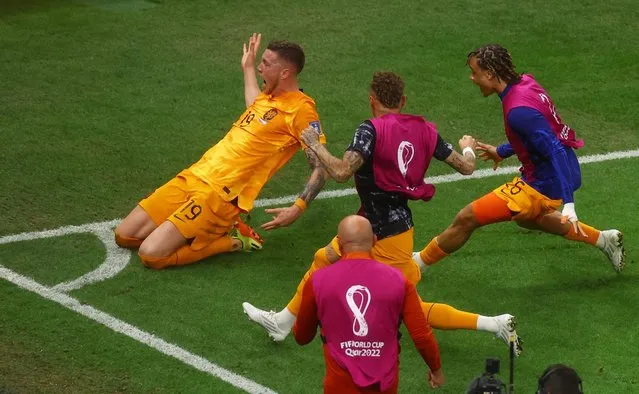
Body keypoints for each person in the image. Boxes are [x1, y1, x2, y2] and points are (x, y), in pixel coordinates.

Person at [243, 71, 522, 355]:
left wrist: (314, 143)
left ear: (372, 100)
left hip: (386, 234)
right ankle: (282, 321)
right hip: (374, 226)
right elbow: (467, 167)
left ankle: (495, 324)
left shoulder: (370, 130)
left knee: (407, 308)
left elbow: (340, 171)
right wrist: (468, 148)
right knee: (322, 259)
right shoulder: (426, 129)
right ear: (403, 101)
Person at [113, 33, 329, 269]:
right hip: (195, 175)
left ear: (285, 73)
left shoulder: (302, 111)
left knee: (151, 254)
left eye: (266, 64)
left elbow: (322, 165)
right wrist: (247, 68)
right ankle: (191, 227)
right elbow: (255, 108)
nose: (260, 67)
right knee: (125, 236)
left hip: (220, 195)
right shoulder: (268, 97)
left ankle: (231, 240)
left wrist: (298, 208)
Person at [413, 44, 625, 273]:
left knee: (467, 218)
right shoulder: (525, 83)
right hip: (563, 169)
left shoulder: (517, 110)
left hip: (543, 184)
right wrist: (501, 151)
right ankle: (604, 240)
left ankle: (418, 264)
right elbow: (536, 132)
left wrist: (569, 203)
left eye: (475, 73)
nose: (472, 78)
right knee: (528, 218)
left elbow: (552, 149)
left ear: (490, 74)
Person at [294, 215, 445, 393]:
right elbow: (421, 335)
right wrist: (435, 369)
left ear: (340, 244)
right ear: (374, 241)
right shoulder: (399, 281)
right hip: (384, 386)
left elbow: (302, 337)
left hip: (339, 387)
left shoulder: (318, 280)